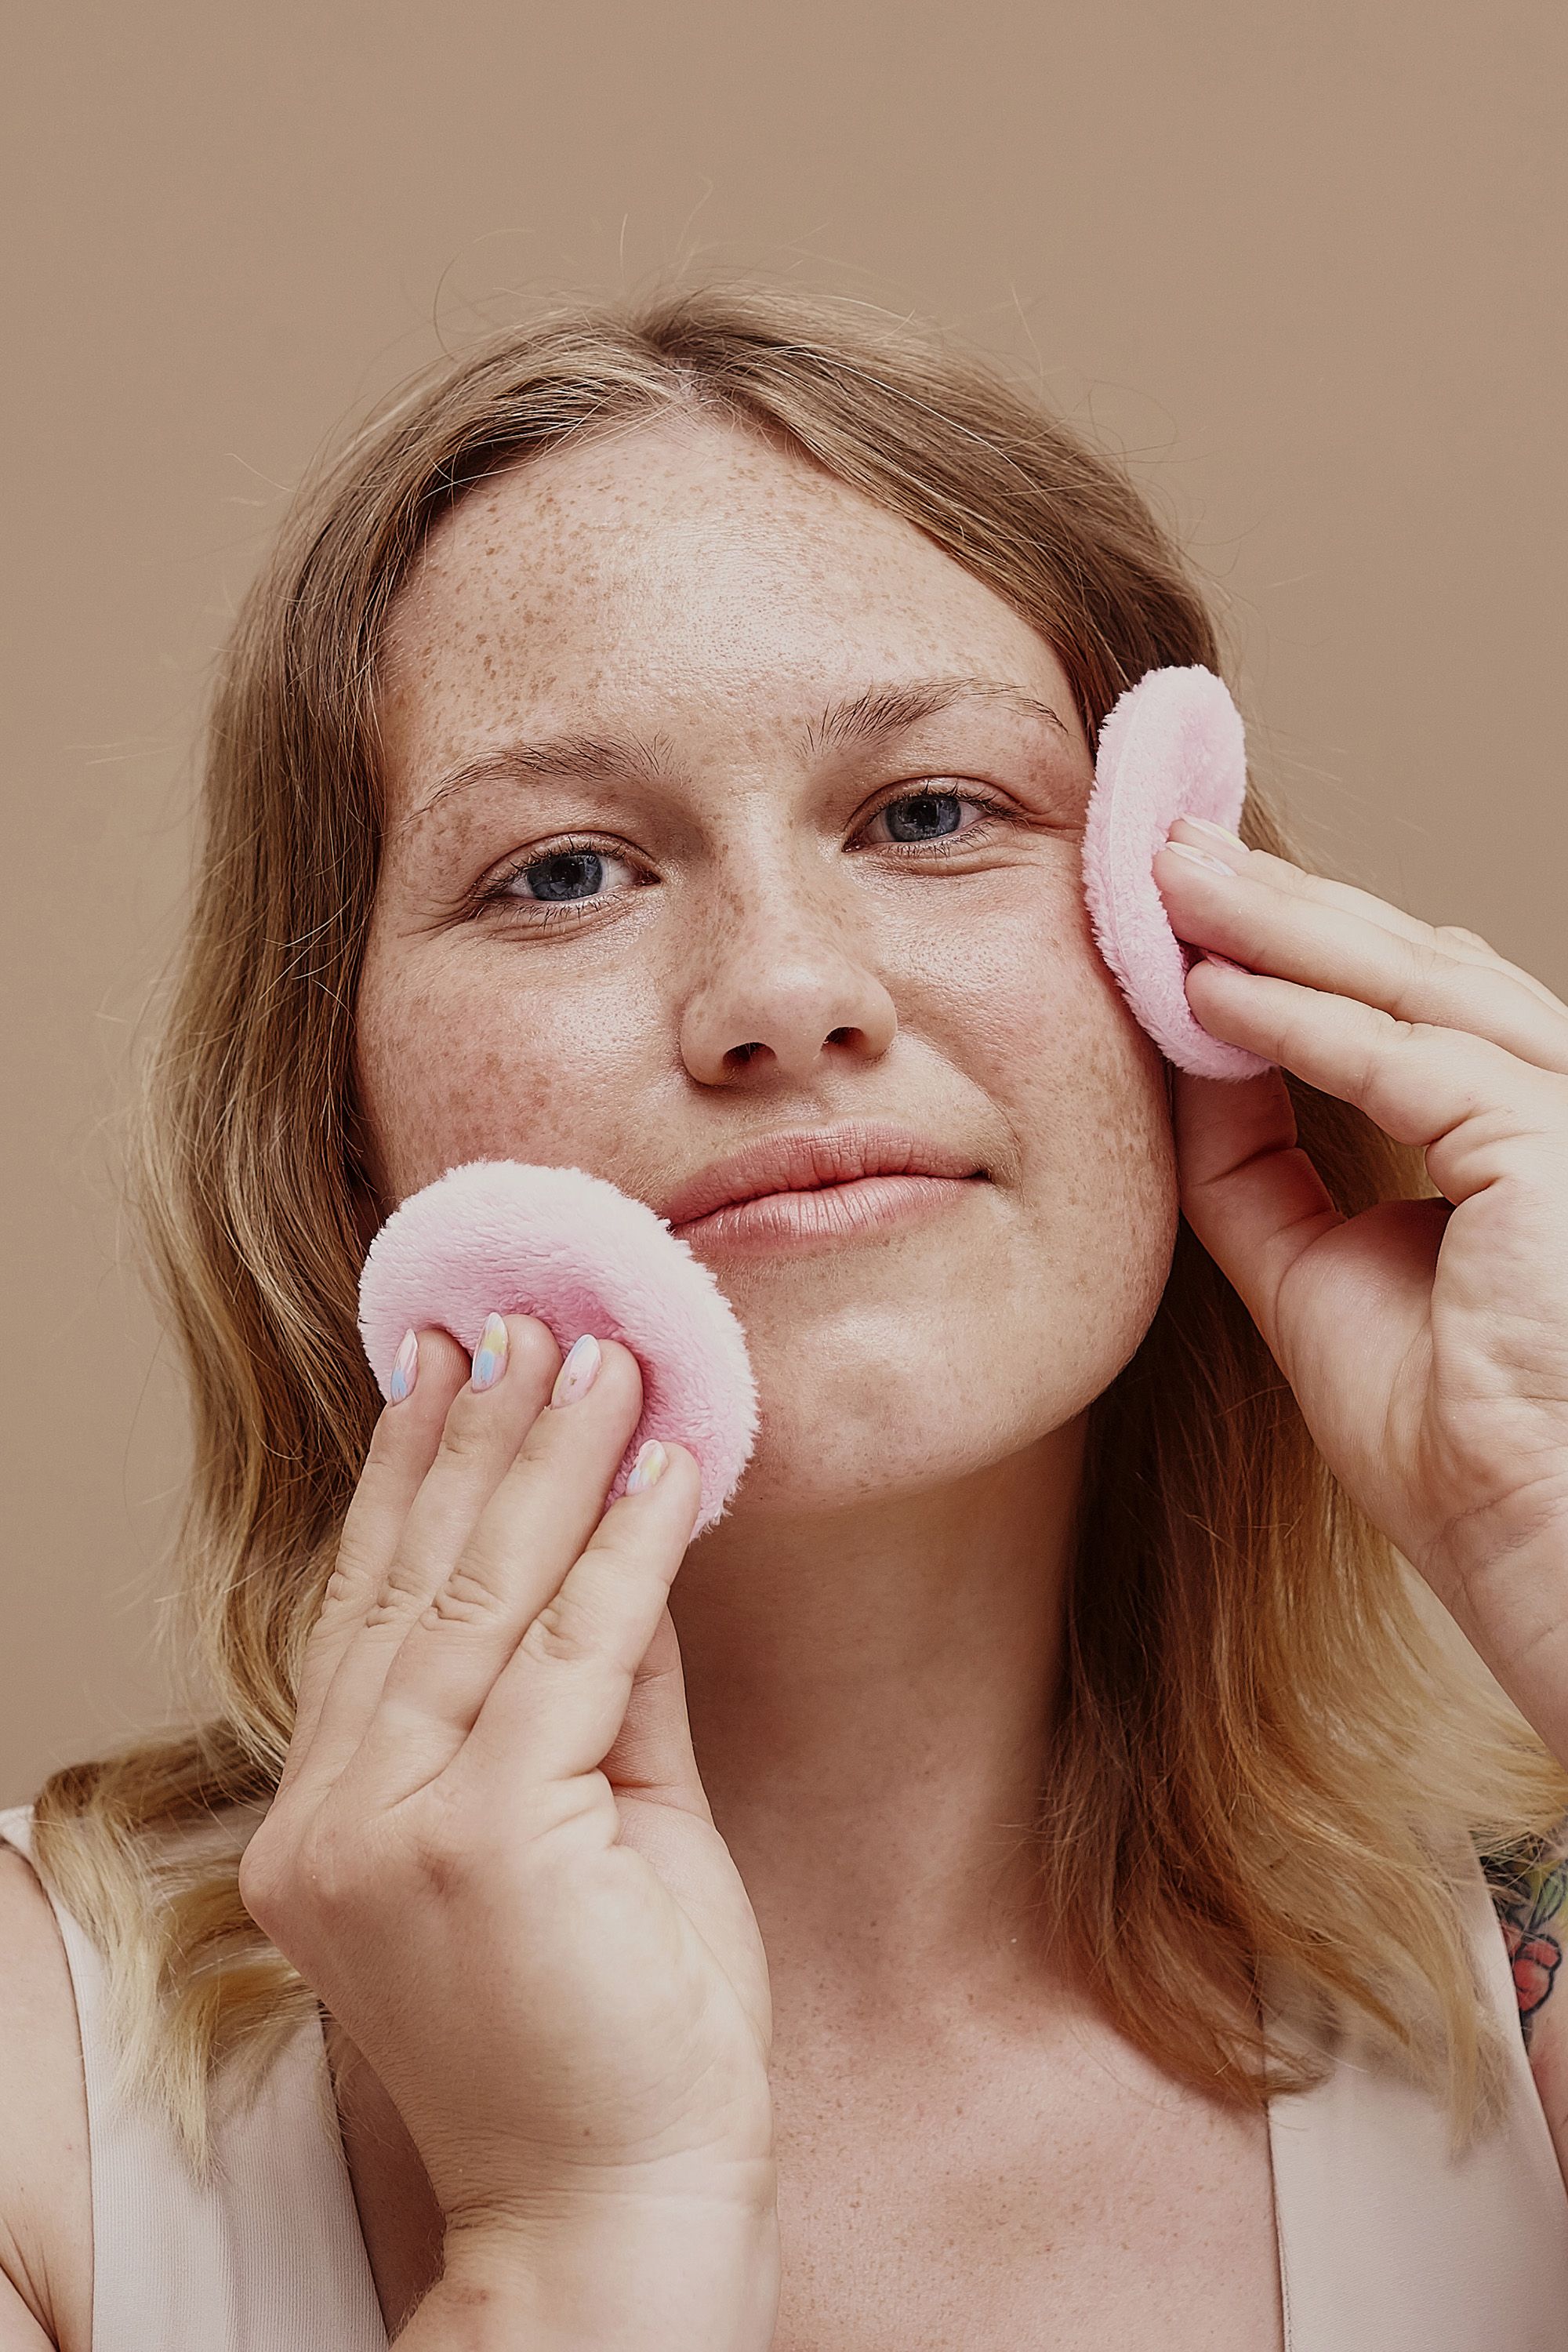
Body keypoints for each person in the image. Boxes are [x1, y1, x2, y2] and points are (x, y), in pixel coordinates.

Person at [4, 284, 1568, 2352]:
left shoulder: (1522, 2017)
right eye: (561, 871)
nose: (783, 990)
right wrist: (583, 2245)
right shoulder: (36, 2113)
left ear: (1192, 957)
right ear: (340, 1129)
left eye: (932, 812)